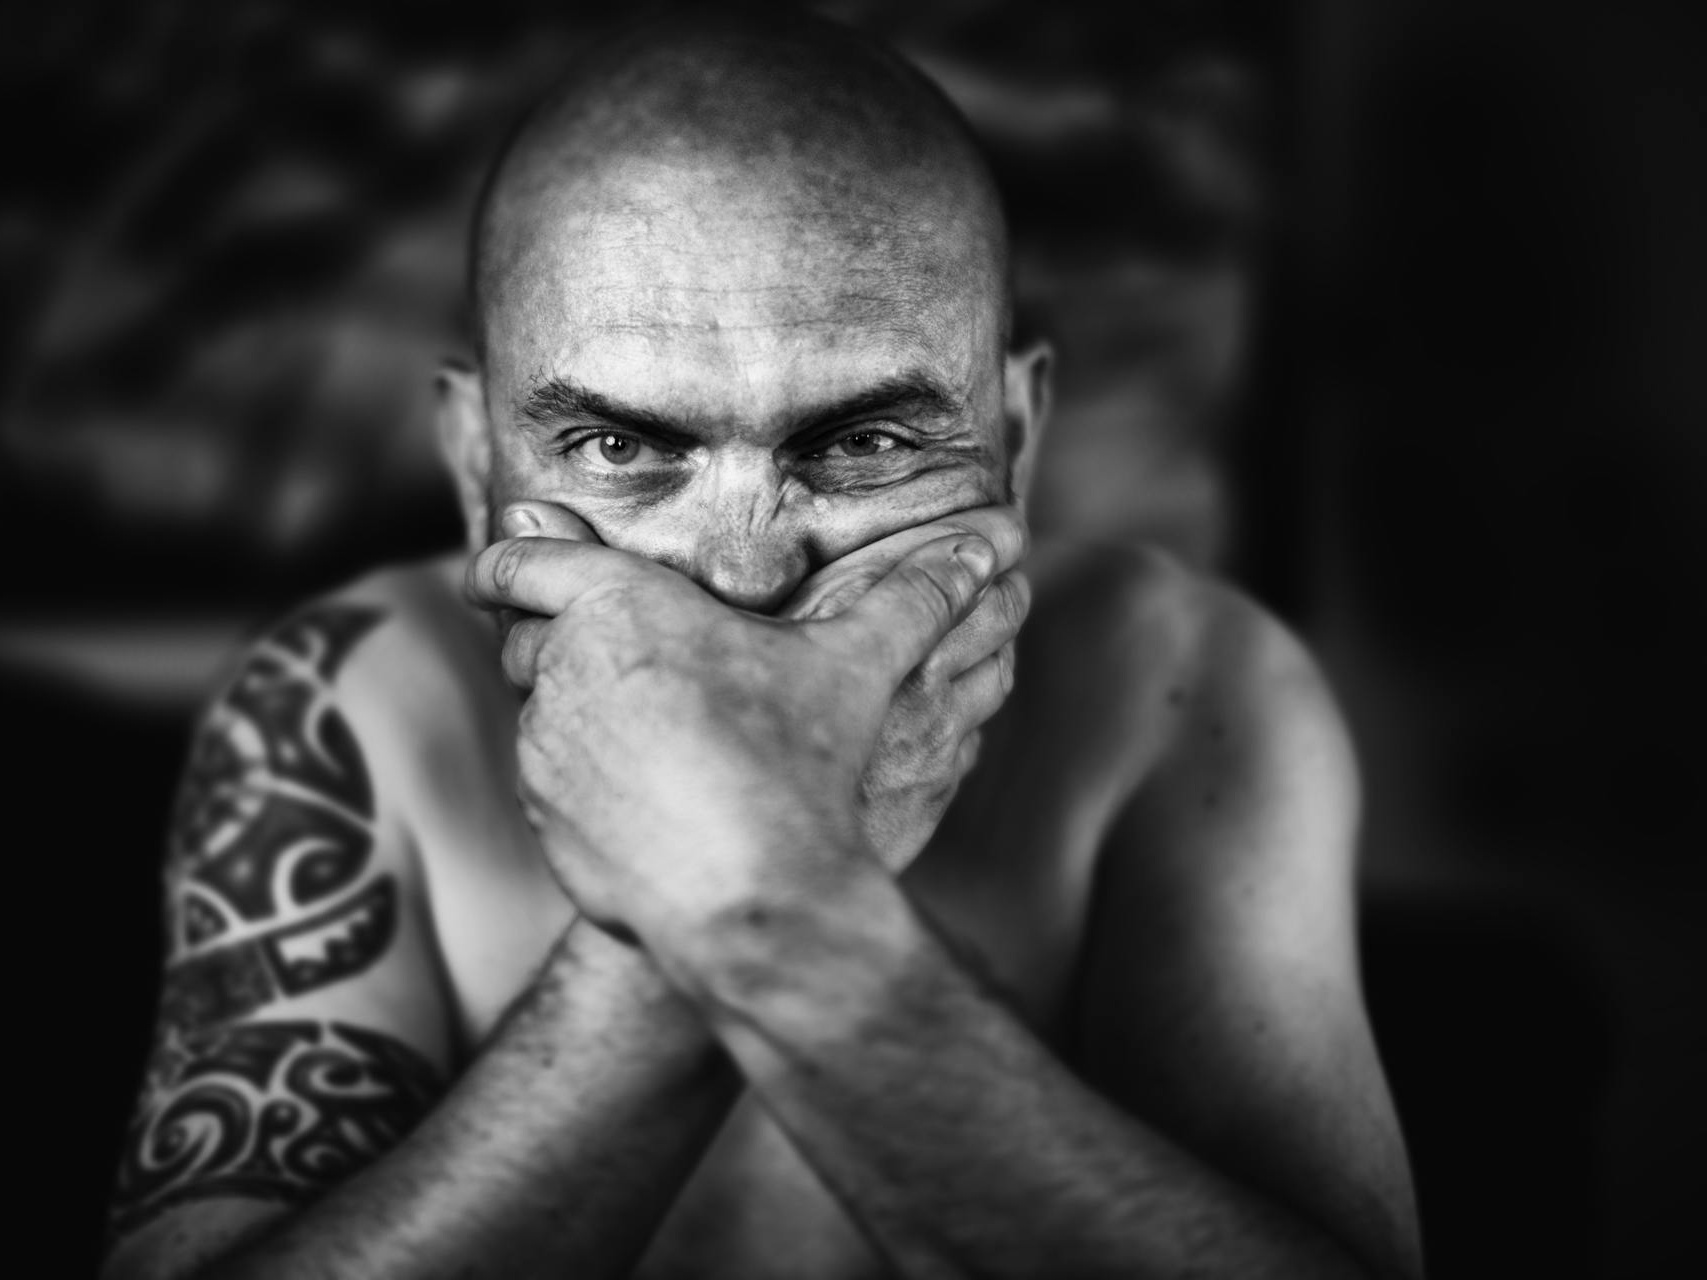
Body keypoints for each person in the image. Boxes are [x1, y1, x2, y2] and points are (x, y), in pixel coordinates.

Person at [101, 12, 1420, 1280]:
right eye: (620, 449)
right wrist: (743, 879)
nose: (741, 572)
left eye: (866, 442)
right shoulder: (343, 706)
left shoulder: (1189, 687)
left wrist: (761, 896)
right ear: (474, 465)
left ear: (1016, 442)